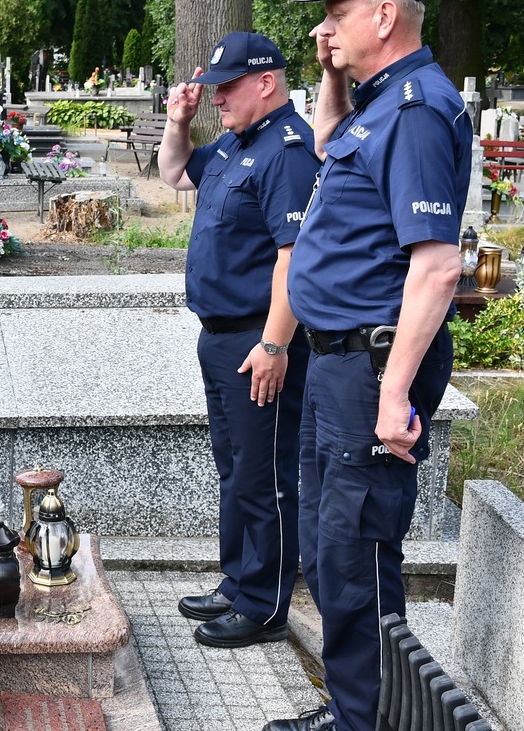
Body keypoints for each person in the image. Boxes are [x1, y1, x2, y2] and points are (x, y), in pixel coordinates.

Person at [264, 0, 471, 731]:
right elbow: (327, 146)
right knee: (328, 547)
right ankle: (357, 707)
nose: (324, 27)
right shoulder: (379, 100)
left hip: (372, 368)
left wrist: (391, 395)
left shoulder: (417, 109)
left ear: (384, 15)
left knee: (356, 552)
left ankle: (372, 720)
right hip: (338, 362)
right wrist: (333, 73)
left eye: (338, 12)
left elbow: (440, 266)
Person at [159, 32, 319, 649]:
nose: (216, 97)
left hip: (259, 341)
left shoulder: (287, 152)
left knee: (265, 472)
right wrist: (180, 120)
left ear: (266, 83)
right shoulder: (235, 142)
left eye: (226, 87)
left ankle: (264, 602)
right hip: (220, 336)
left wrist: (276, 344)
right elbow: (175, 172)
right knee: (235, 469)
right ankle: (238, 578)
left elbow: (294, 257)